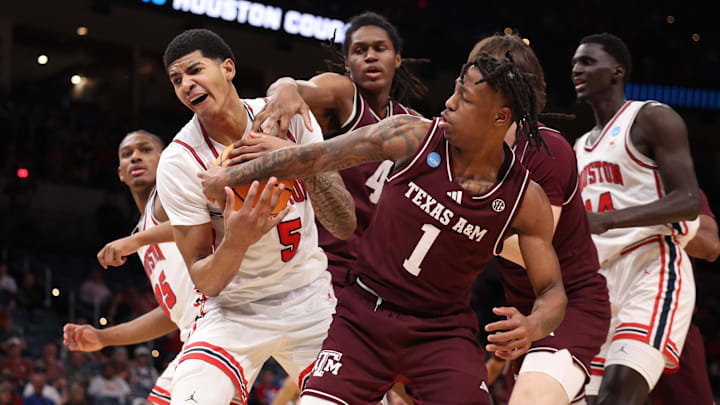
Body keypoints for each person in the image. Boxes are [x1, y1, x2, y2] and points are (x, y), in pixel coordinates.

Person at [199, 53, 567, 404]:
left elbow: (552, 290)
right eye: (455, 90)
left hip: (441, 332)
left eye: (465, 99)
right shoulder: (411, 136)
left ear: (499, 117)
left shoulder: (526, 199)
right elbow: (313, 158)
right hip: (363, 316)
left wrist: (533, 326)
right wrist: (228, 177)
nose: (449, 103)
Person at [157, 28, 356, 405]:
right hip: (233, 311)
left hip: (310, 299)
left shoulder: (290, 116)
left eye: (194, 71)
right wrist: (236, 241)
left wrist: (295, 159)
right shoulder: (178, 161)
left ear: (228, 68)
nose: (186, 84)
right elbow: (205, 281)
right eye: (176, 79)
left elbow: (343, 224)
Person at [247, 12, 425, 404]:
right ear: (348, 63)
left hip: (384, 277)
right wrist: (287, 88)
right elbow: (295, 87)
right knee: (335, 376)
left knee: (401, 386)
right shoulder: (345, 95)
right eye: (359, 51)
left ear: (398, 58)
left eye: (380, 49)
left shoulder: (414, 127)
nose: (370, 57)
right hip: (331, 266)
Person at [467, 34, 610, 405]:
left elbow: (533, 251)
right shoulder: (465, 150)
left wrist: (463, 223)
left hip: (571, 305)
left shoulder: (547, 150)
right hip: (522, 309)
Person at [571, 33, 700, 405]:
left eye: (588, 62)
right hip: (600, 284)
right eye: (575, 64)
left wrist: (607, 220)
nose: (577, 69)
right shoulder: (580, 146)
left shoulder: (651, 117)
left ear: (617, 71)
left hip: (651, 266)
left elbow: (689, 200)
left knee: (618, 397)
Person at [63, 130, 204, 405]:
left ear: (165, 160)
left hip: (224, 324)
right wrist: (103, 337)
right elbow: (173, 313)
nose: (135, 156)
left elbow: (202, 222)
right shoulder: (143, 231)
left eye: (145, 150)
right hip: (197, 334)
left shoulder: (171, 200)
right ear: (120, 173)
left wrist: (134, 240)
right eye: (127, 154)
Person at [649, 189, 719, 404]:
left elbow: (710, 246)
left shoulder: (677, 187)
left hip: (672, 323)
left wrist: (637, 221)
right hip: (605, 315)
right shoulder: (586, 180)